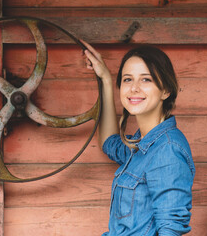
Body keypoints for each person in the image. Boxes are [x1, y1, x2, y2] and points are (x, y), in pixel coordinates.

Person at [82, 40, 195, 236]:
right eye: (127, 79)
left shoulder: (167, 149)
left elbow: (170, 230)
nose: (134, 88)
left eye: (146, 79)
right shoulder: (141, 144)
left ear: (166, 91)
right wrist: (106, 80)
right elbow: (109, 142)